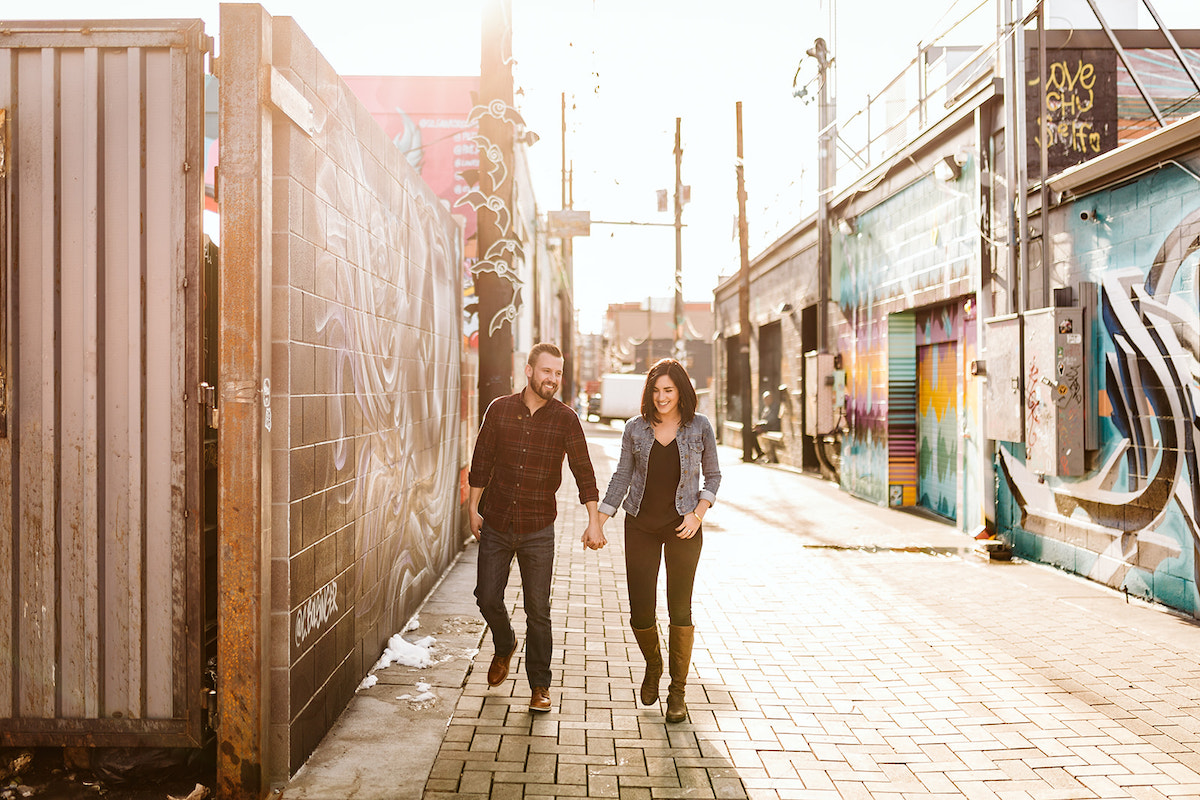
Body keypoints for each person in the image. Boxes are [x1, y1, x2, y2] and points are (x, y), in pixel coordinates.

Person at [469, 343, 606, 713]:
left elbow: (584, 471)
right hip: (497, 521)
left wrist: (594, 520)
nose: (553, 379)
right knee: (487, 596)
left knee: (538, 610)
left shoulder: (565, 419)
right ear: (529, 371)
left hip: (538, 527)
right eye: (547, 371)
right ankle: (505, 643)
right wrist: (472, 508)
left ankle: (540, 686)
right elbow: (481, 460)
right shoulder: (499, 410)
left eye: (558, 373)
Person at [597, 358, 721, 723]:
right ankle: (654, 664)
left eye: (668, 390)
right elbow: (621, 477)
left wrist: (697, 514)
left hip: (683, 527)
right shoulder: (635, 428)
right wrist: (598, 522)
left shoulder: (700, 427)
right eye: (656, 390)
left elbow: (712, 476)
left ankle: (677, 693)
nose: (662, 397)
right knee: (640, 609)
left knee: (680, 609)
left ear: (682, 391)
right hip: (640, 525)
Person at [751, 388, 780, 463]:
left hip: (771, 427)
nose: (765, 401)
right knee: (751, 432)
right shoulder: (767, 407)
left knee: (752, 434)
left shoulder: (775, 407)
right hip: (765, 426)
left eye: (766, 399)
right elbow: (763, 418)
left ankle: (759, 452)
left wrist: (760, 424)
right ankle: (759, 452)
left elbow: (771, 420)